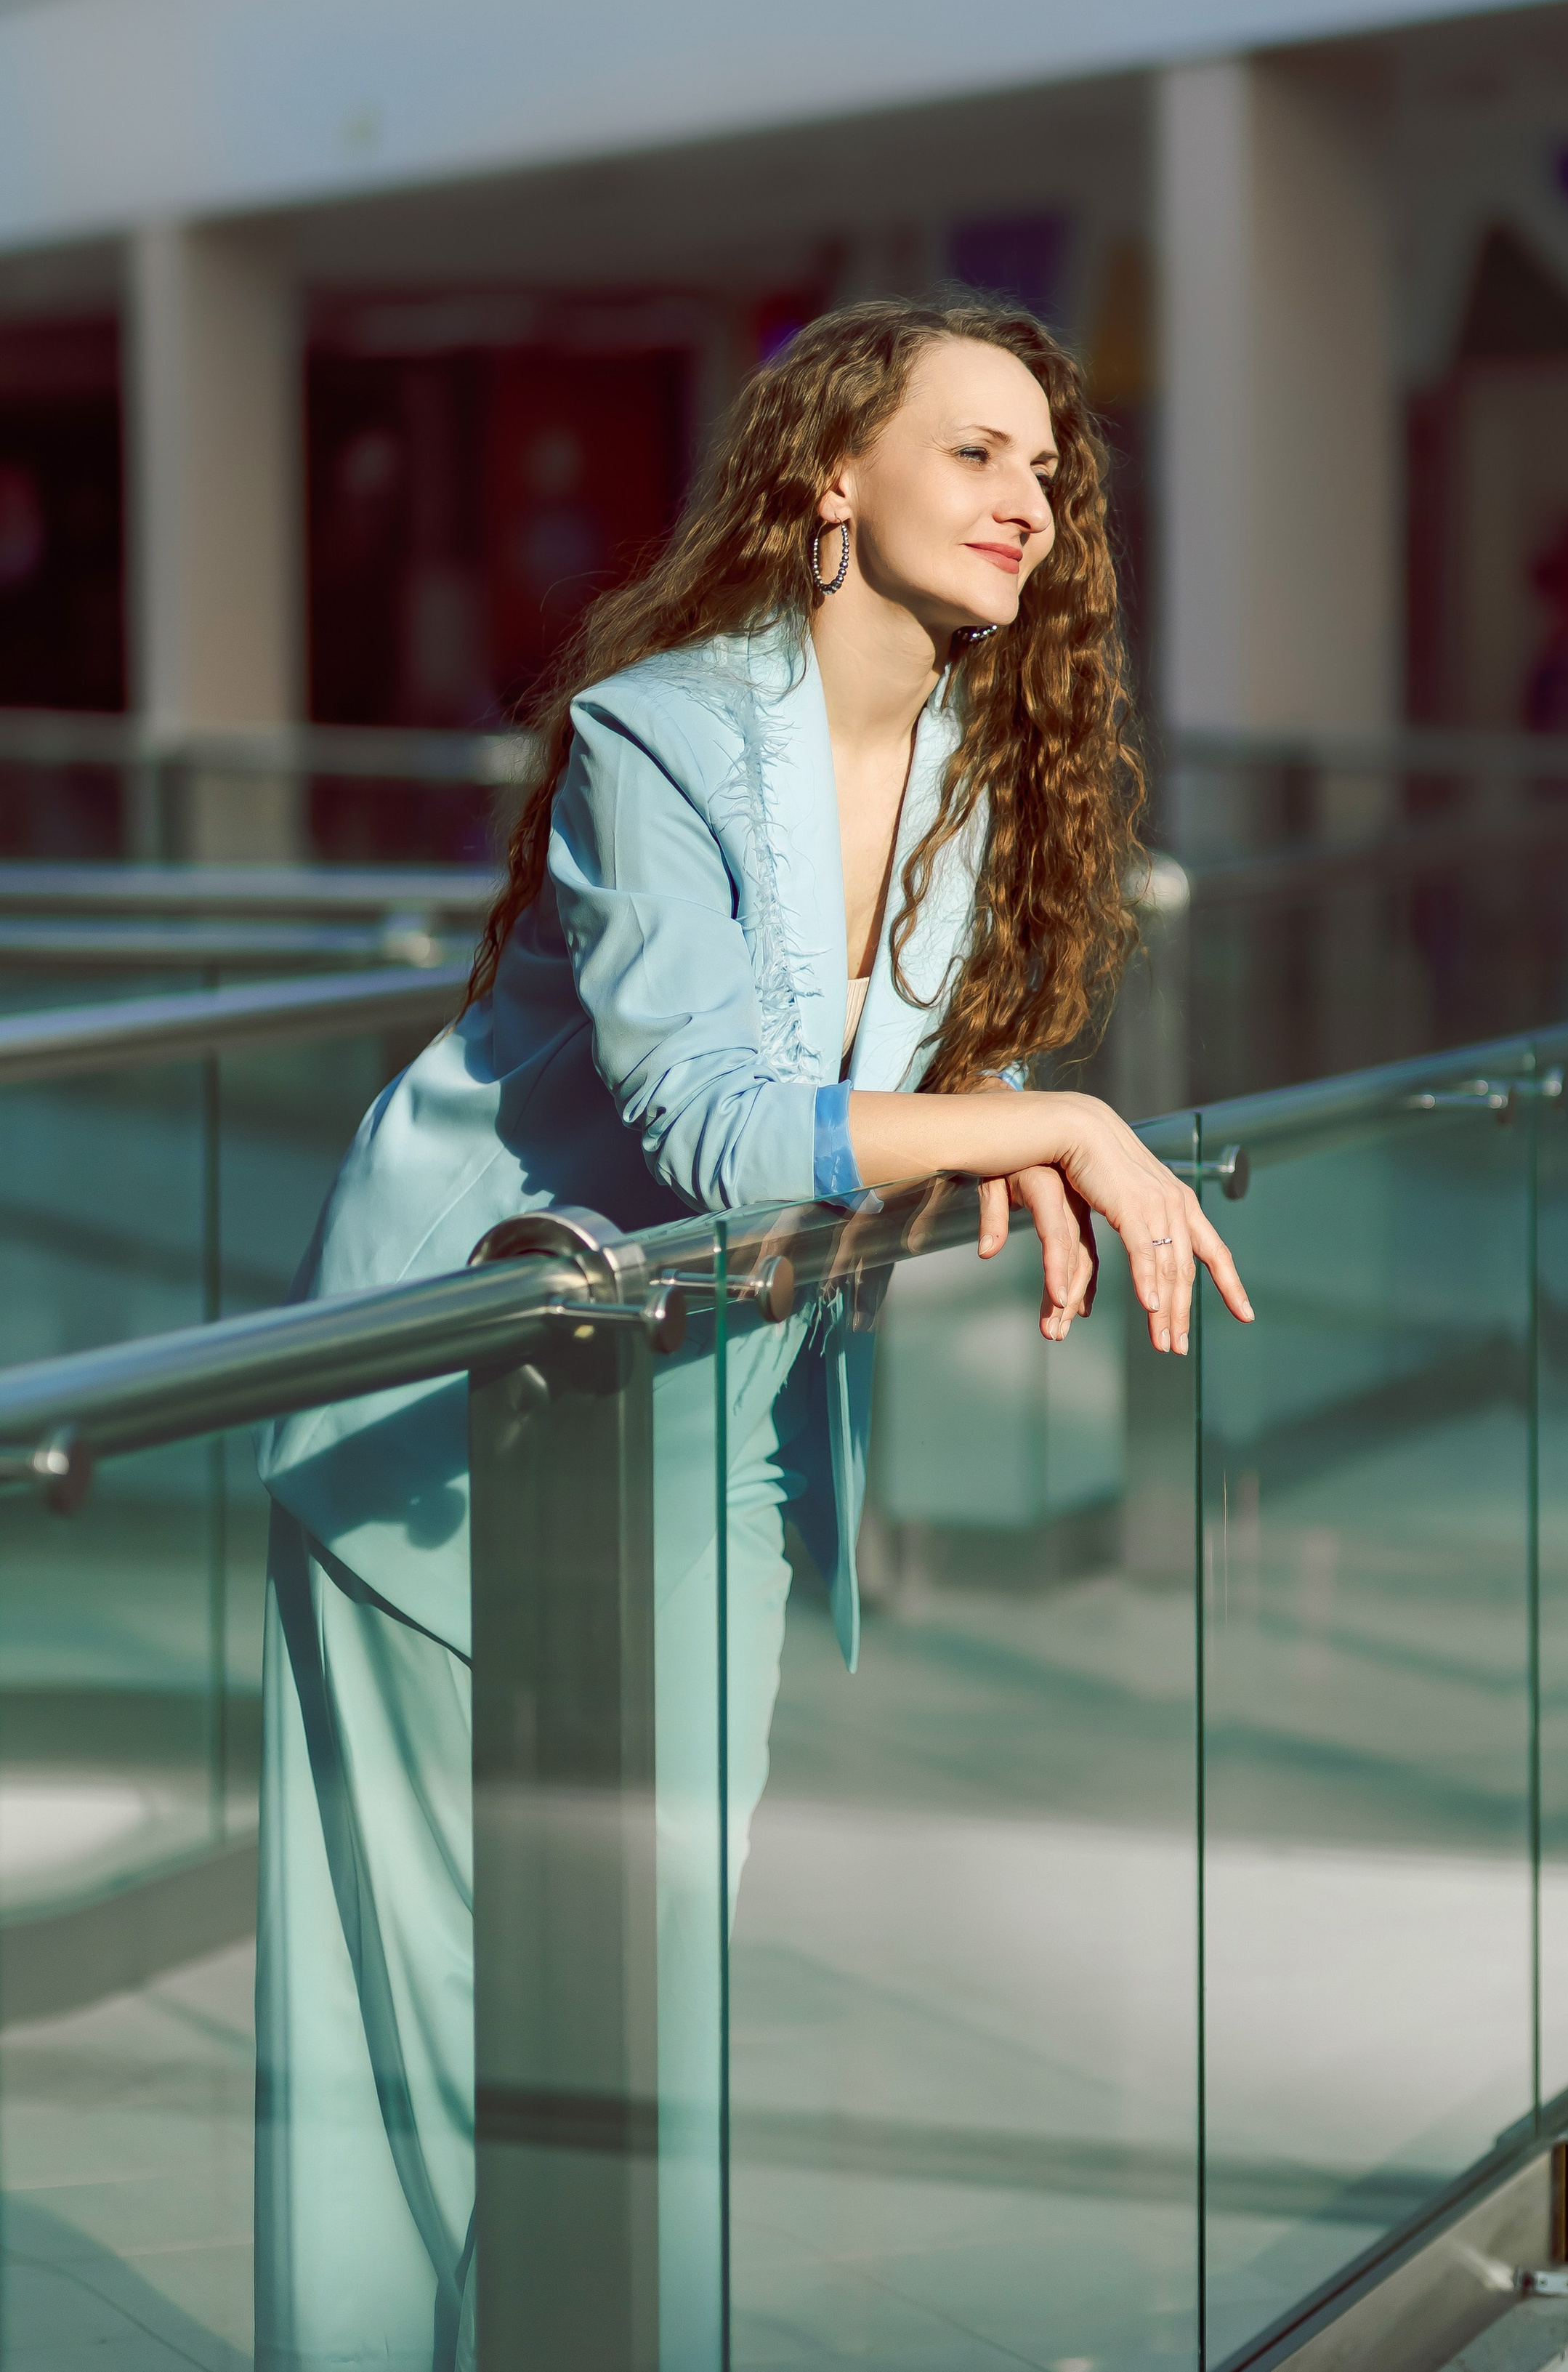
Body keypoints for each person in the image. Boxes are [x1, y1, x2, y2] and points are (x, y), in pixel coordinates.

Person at [253, 299, 1253, 2371]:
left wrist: (994, 1129)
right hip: (454, 1395)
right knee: (425, 2033)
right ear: (829, 477)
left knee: (647, 2010)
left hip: (709, 1421)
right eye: (973, 449)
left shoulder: (981, 777)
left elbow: (867, 1090)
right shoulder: (660, 733)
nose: (1027, 496)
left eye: (1046, 467)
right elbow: (718, 1124)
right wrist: (1061, 1121)